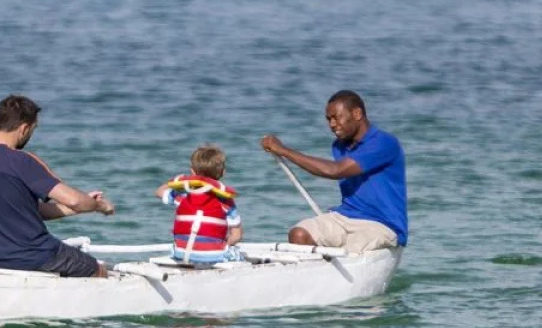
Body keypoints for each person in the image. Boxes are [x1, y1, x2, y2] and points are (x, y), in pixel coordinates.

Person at [0, 95, 115, 278]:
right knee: (98, 270)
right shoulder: (21, 160)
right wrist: (99, 206)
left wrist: (81, 207)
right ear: (24, 128)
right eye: (33, 129)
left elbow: (27, 210)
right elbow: (75, 200)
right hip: (36, 255)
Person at [260, 90, 408, 254]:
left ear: (357, 113)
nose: (332, 124)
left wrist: (284, 151)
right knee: (299, 234)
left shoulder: (383, 142)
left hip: (382, 224)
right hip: (345, 216)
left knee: (349, 253)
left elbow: (336, 170)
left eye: (337, 117)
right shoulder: (339, 145)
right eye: (329, 119)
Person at [154, 145, 244, 265]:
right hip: (213, 256)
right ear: (223, 172)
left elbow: (159, 192)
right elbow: (236, 235)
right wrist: (224, 244)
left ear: (192, 172)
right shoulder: (225, 201)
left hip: (181, 253)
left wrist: (177, 181)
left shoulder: (184, 196)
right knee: (238, 253)